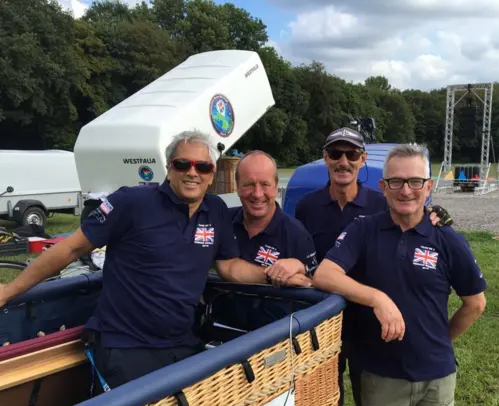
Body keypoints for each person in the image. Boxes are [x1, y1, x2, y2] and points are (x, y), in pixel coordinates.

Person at [0, 130, 297, 391]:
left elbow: (229, 265)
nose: (192, 172)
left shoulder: (216, 209)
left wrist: (274, 273)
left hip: (183, 346)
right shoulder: (132, 202)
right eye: (183, 164)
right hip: (127, 346)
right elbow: (70, 250)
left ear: (211, 174)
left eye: (202, 166)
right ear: (169, 167)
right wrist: (9, 292)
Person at [313, 143, 487, 406]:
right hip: (381, 372)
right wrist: (378, 298)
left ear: (428, 186)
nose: (405, 190)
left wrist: (441, 338)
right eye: (395, 182)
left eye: (414, 181)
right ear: (383, 186)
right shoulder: (365, 229)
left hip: (435, 372)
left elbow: (475, 303)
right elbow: (325, 274)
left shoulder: (448, 239)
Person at [206, 150, 316, 334]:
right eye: (249, 184)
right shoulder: (222, 221)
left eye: (265, 184)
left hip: (269, 342)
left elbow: (311, 287)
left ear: (275, 187)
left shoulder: (296, 234)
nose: (257, 194)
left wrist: (301, 267)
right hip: (218, 332)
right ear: (238, 186)